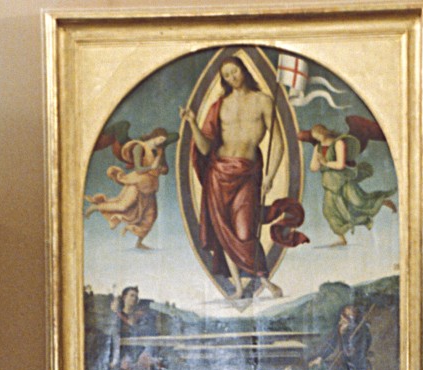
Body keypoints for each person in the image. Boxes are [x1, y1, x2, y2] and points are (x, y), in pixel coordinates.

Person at [180, 56, 284, 299]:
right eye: (226, 75)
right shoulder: (219, 105)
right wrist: (193, 124)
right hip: (219, 173)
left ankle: (265, 280)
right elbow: (205, 149)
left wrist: (271, 174)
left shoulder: (263, 101)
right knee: (224, 232)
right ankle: (238, 286)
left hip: (247, 173)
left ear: (244, 70)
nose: (232, 78)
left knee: (245, 230)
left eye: (234, 72)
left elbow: (278, 140)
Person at [306, 123, 396, 245]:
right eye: (315, 137)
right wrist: (317, 161)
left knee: (359, 202)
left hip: (343, 181)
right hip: (329, 184)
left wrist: (325, 163)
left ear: (323, 132)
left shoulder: (338, 143)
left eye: (318, 136)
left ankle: (383, 201)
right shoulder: (318, 147)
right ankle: (342, 239)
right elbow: (313, 167)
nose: (317, 139)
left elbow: (340, 165)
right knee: (329, 211)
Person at [84, 130, 170, 250]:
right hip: (137, 182)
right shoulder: (139, 147)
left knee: (151, 215)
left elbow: (166, 170)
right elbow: (139, 169)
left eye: (163, 141)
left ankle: (139, 242)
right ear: (154, 136)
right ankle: (96, 207)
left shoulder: (159, 151)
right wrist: (152, 167)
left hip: (150, 186)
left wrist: (161, 165)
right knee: (123, 206)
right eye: (160, 138)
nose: (161, 142)